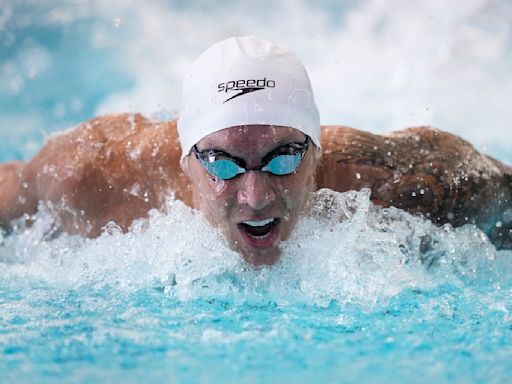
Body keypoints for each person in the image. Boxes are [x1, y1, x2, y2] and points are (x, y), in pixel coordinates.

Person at [1, 36, 511, 265]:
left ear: (317, 152)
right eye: (222, 163)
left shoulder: (401, 183)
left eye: (283, 158)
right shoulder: (88, 176)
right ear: (186, 160)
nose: (256, 196)